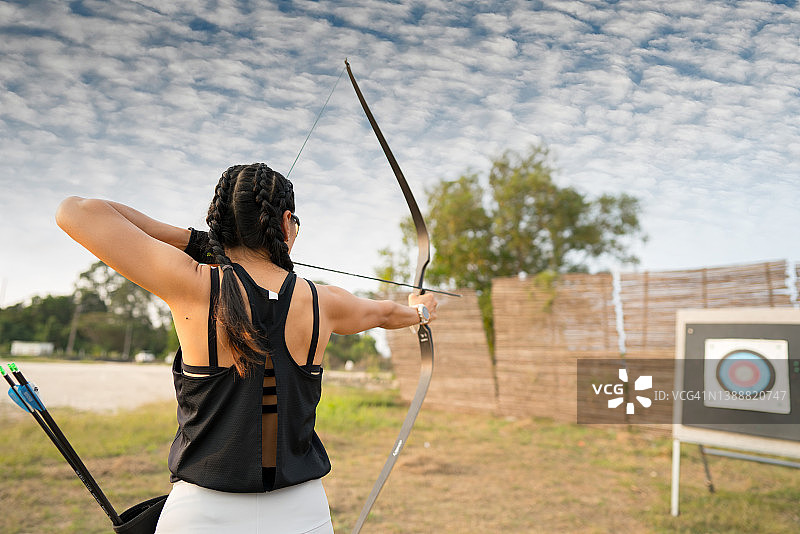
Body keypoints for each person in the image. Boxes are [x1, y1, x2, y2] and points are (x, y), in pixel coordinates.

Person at [56, 163, 438, 533]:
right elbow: (388, 313)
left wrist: (195, 242)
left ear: (222, 224)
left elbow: (76, 211)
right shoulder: (324, 301)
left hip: (201, 514)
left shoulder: (193, 283)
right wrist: (420, 311)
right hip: (302, 514)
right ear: (287, 222)